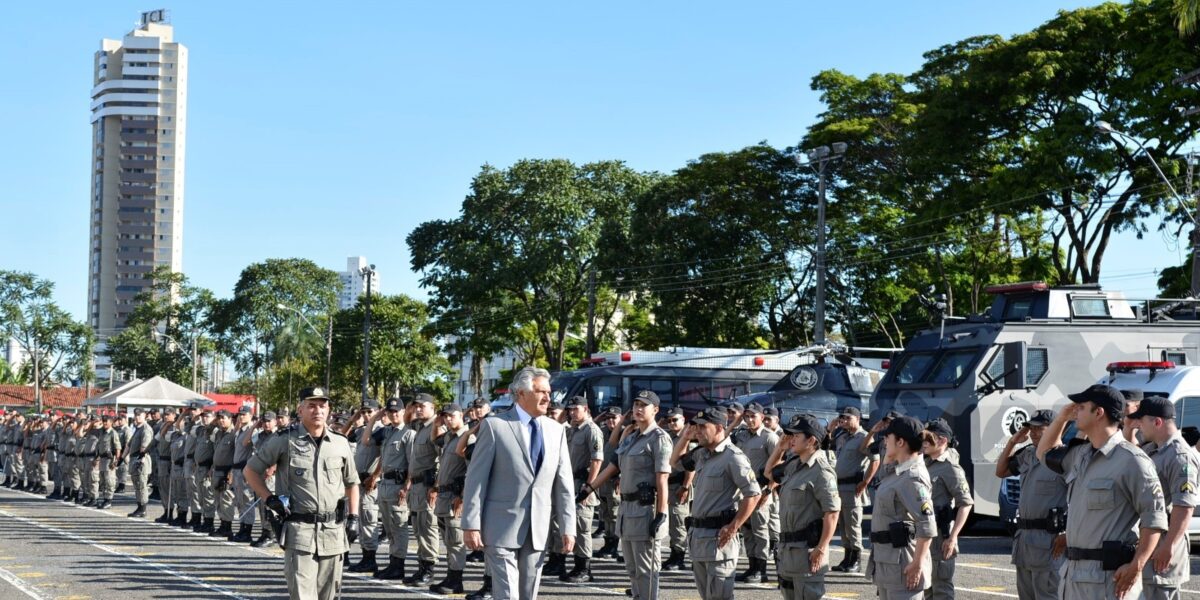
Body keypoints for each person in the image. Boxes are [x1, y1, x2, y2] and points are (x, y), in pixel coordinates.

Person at [1036, 384, 1167, 600]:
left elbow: (1154, 519)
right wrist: (1061, 419)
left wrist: (1137, 566)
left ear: (1099, 413)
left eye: (1081, 407)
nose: (1075, 410)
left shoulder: (1132, 461)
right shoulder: (1081, 455)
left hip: (1109, 581)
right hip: (1074, 575)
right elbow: (1044, 453)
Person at [462, 366, 576, 600]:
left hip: (538, 529)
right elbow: (476, 479)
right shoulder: (495, 426)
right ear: (521, 393)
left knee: (527, 594)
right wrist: (471, 524)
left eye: (549, 392)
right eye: (540, 391)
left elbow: (564, 485)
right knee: (507, 595)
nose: (547, 397)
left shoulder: (556, 431)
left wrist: (568, 528)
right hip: (500, 527)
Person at [244, 386, 360, 600]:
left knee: (329, 596)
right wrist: (269, 499)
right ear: (300, 410)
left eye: (322, 406)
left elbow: (352, 483)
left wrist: (354, 517)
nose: (318, 411)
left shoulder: (340, 443)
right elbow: (251, 470)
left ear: (329, 410)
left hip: (333, 533)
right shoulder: (284, 440)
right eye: (311, 406)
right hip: (300, 533)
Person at [581, 390, 671, 599]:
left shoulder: (659, 438)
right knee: (631, 568)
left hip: (645, 509)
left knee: (646, 569)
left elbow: (662, 478)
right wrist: (588, 489)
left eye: (644, 406)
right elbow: (613, 466)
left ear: (655, 410)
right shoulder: (631, 437)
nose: (638, 409)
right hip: (627, 508)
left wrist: (661, 514)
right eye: (636, 405)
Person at [671, 406, 762, 600]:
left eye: (704, 427)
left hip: (719, 541)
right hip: (699, 539)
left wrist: (733, 527)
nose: (698, 431)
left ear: (720, 428)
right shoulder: (702, 453)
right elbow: (675, 462)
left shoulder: (733, 457)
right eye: (697, 427)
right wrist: (686, 438)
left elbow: (753, 494)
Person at [1128, 397, 1199, 600]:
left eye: (1141, 420)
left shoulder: (1180, 456)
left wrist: (1169, 546)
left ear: (1157, 422)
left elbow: (1184, 506)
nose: (1139, 425)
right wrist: (1129, 426)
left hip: (1164, 546)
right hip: (1151, 542)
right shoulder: (1153, 449)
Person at [763, 414, 839, 600]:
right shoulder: (794, 464)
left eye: (797, 435)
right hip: (788, 550)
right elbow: (768, 473)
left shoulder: (821, 471)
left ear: (811, 440)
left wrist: (821, 548)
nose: (792, 439)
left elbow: (832, 513)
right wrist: (780, 449)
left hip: (807, 553)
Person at [994, 409, 1066, 600]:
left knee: (1048, 595)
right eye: (1030, 428)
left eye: (1038, 428)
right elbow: (1001, 471)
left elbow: (1077, 499)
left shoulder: (1064, 458)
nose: (1033, 433)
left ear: (1054, 429)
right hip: (1025, 539)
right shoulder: (1027, 454)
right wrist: (1012, 442)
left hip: (1049, 540)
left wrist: (1068, 533)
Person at [869, 416, 937, 600]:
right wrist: (889, 456)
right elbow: (883, 477)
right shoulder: (898, 471)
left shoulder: (913, 477)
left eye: (888, 437)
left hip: (904, 566)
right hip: (888, 563)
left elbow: (927, 525)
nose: (884, 440)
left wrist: (917, 565)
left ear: (900, 442)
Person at [922, 419, 972, 600]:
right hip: (926, 532)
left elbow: (965, 503)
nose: (924, 442)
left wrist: (952, 537)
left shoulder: (951, 468)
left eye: (929, 439)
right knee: (926, 586)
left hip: (941, 535)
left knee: (941, 588)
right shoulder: (926, 463)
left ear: (942, 441)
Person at [731, 402, 779, 584]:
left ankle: (761, 569)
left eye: (753, 416)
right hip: (743, 490)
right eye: (747, 416)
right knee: (747, 528)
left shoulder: (769, 437)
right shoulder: (741, 435)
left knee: (760, 530)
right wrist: (734, 423)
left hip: (761, 489)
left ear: (761, 417)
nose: (750, 420)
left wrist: (768, 490)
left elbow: (777, 467)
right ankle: (751, 566)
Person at [367, 398, 412, 580]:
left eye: (396, 411)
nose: (393, 414)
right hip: (385, 484)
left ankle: (399, 566)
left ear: (403, 412)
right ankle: (392, 563)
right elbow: (367, 440)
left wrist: (406, 487)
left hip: (398, 485)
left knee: (399, 527)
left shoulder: (408, 433)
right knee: (389, 527)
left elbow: (412, 463)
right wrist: (374, 418)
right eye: (390, 411)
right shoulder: (387, 432)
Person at [560, 395, 604, 583]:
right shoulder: (573, 429)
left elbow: (597, 460)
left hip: (583, 485)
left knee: (583, 527)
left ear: (585, 409)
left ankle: (585, 568)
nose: (571, 412)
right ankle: (577, 566)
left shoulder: (591, 430)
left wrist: (589, 487)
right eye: (569, 409)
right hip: (571, 484)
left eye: (575, 409)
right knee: (574, 526)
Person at [430, 402, 471, 594]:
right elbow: (434, 440)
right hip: (444, 495)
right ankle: (450, 576)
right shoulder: (449, 436)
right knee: (448, 540)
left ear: (461, 415)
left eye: (451, 416)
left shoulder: (468, 437)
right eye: (444, 416)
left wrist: (462, 497)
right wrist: (436, 423)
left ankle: (457, 580)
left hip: (456, 496)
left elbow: (471, 470)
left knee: (456, 541)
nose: (447, 419)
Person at [831, 406, 876, 573]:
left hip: (853, 487)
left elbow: (875, 460)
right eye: (843, 417)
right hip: (839, 487)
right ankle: (847, 557)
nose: (844, 420)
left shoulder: (864, 437)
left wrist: (865, 482)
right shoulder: (842, 436)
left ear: (857, 419)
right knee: (843, 525)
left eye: (848, 418)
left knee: (853, 525)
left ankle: (856, 559)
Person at [405, 393, 442, 585]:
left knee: (428, 528)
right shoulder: (420, 427)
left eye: (422, 406)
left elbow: (442, 459)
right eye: (415, 406)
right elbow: (406, 420)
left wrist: (435, 487)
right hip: (416, 486)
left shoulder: (436, 427)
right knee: (419, 529)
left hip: (428, 486)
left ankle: (429, 569)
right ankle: (422, 567)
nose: (418, 409)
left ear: (433, 407)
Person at [344, 403, 383, 574]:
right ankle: (364, 557)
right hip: (357, 482)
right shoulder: (362, 430)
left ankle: (370, 559)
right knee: (357, 521)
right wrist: (352, 420)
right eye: (364, 412)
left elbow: (384, 455)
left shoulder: (382, 430)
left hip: (369, 483)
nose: (366, 415)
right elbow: (341, 435)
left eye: (370, 412)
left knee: (368, 521)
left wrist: (375, 476)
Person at [661, 406, 694, 572]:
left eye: (675, 420)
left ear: (683, 420)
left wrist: (685, 486)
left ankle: (679, 556)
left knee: (679, 520)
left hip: (680, 484)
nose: (671, 423)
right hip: (669, 484)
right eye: (669, 420)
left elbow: (691, 466)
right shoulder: (669, 437)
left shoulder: (687, 438)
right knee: (673, 522)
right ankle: (674, 554)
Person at [594, 407, 623, 560]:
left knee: (614, 514)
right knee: (605, 513)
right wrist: (598, 419)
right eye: (608, 418)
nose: (610, 421)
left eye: (614, 418)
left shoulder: (625, 432)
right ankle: (608, 543)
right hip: (603, 480)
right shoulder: (603, 431)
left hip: (615, 480)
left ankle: (613, 546)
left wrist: (622, 475)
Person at [210, 410, 238, 538]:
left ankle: (227, 527)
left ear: (230, 418)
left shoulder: (234, 434)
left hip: (227, 472)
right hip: (217, 470)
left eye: (224, 418)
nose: (221, 420)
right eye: (219, 418)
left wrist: (231, 472)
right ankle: (222, 525)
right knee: (218, 500)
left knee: (226, 500)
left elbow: (237, 455)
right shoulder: (219, 434)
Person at [126, 408, 156, 518]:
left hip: (141, 460)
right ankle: (139, 506)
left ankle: (143, 508)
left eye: (139, 415)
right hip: (135, 459)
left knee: (142, 485)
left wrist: (141, 460)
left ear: (144, 415)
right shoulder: (138, 429)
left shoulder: (146, 429)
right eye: (136, 415)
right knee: (137, 485)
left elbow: (145, 447)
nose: (137, 417)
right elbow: (129, 445)